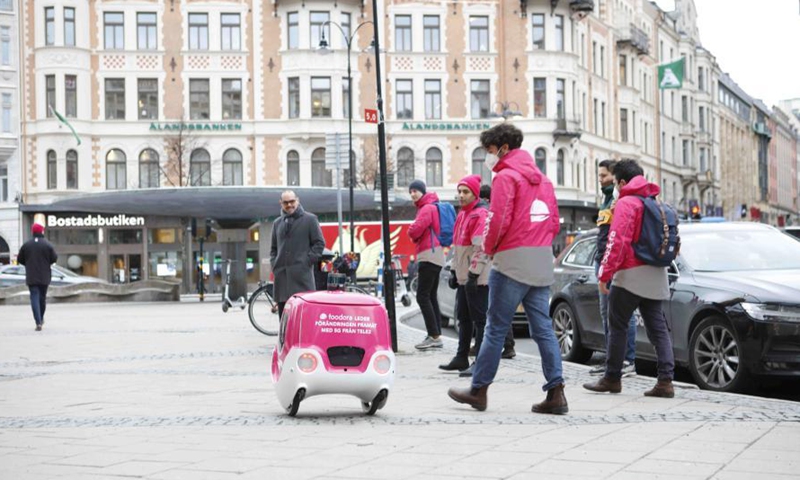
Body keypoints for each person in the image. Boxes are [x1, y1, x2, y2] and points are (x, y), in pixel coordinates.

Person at [448, 123, 567, 414]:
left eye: (489, 151)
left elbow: (498, 219)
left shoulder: (505, 177)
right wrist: (540, 245)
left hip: (512, 257)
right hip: (540, 258)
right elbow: (553, 222)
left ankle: (479, 390)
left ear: (502, 148)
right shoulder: (543, 180)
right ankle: (556, 392)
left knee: (495, 328)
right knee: (543, 328)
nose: (489, 157)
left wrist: (488, 250)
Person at [583, 159, 676, 398]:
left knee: (618, 324)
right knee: (658, 327)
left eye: (615, 182)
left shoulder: (627, 202)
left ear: (622, 182)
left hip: (630, 273)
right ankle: (665, 381)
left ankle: (612, 378)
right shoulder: (655, 201)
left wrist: (605, 274)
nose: (614, 186)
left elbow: (617, 241)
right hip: (656, 271)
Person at [439, 175, 489, 376]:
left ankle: (481, 361)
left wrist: (474, 274)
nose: (461, 195)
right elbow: (458, 249)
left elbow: (481, 248)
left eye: (465, 191)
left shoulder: (480, 215)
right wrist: (453, 270)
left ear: (475, 194)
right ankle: (461, 357)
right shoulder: (462, 214)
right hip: (463, 277)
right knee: (463, 317)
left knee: (479, 319)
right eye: (459, 191)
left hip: (477, 278)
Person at [591, 160, 637, 377]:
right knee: (606, 315)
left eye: (604, 176)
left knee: (621, 315)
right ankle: (611, 359)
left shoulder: (620, 199)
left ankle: (626, 360)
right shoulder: (607, 200)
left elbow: (618, 236)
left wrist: (608, 265)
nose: (601, 180)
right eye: (599, 177)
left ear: (615, 177)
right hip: (601, 261)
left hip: (613, 263)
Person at [270, 190, 326, 319]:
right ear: (281, 203)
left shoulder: (310, 219)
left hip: (302, 278)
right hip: (282, 279)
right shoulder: (277, 223)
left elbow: (319, 243)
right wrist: (275, 265)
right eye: (285, 202)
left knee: (304, 317)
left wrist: (306, 262)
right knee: (284, 320)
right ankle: (284, 340)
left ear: (297, 200)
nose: (289, 205)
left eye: (292, 201)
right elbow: (273, 249)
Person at [478, 184, 516, 360]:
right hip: (507, 264)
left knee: (494, 310)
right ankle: (507, 346)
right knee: (501, 308)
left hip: (495, 266)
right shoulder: (504, 210)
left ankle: (503, 347)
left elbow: (488, 241)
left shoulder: (490, 212)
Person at [407, 179, 445, 350]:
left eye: (415, 191)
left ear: (423, 191)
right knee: (430, 295)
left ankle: (434, 336)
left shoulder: (427, 208)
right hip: (435, 255)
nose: (413, 194)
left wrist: (411, 230)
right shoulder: (431, 206)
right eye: (411, 192)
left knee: (422, 295)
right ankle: (436, 334)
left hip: (428, 254)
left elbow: (415, 230)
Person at [17, 222, 58, 331]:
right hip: (44, 276)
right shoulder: (47, 245)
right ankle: (41, 317)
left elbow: (20, 259)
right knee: (42, 298)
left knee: (34, 297)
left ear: (32, 232)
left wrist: (29, 263)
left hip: (31, 276)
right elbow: (54, 258)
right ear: (42, 231)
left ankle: (38, 321)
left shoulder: (27, 245)